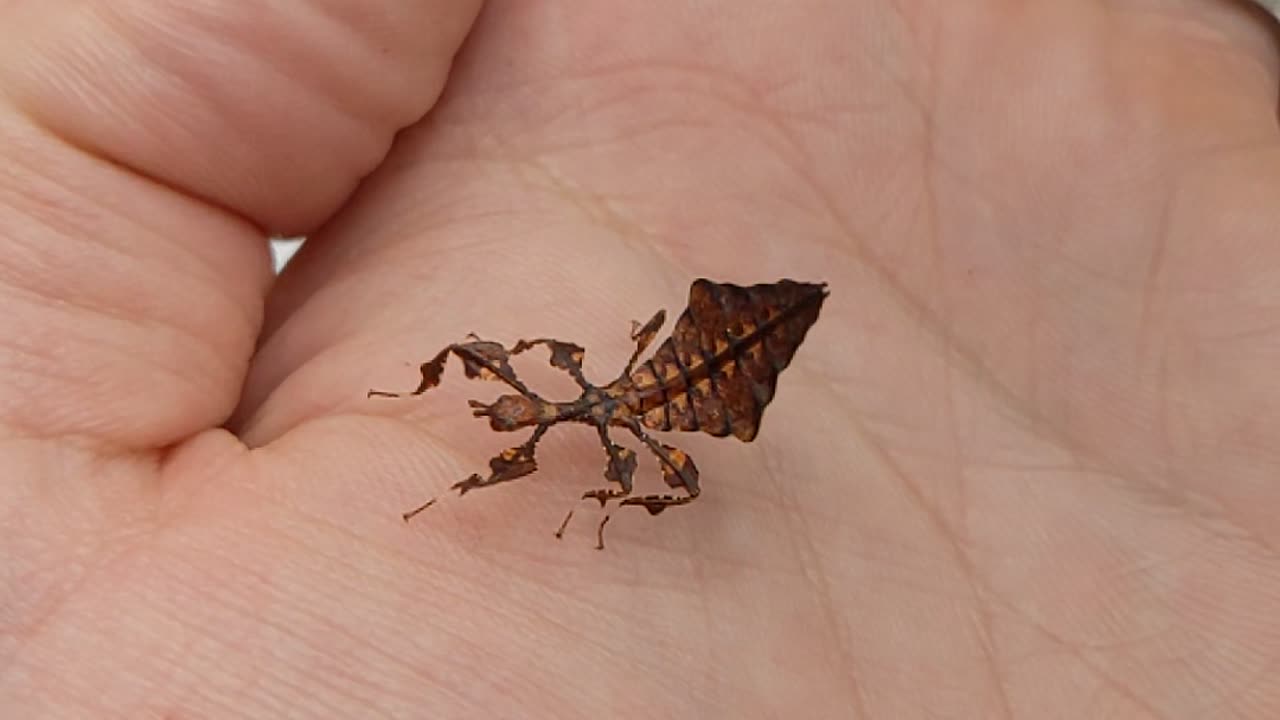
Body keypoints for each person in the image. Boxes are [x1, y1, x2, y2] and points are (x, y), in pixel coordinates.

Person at [1, 1, 1277, 717]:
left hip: (682, 378)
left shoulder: (625, 428)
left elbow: (651, 472)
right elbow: (570, 407)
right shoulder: (592, 411)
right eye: (507, 428)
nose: (512, 417)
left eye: (506, 431)